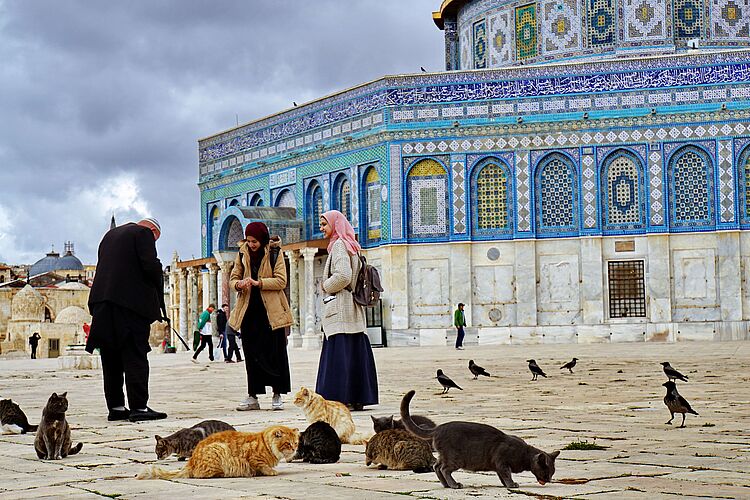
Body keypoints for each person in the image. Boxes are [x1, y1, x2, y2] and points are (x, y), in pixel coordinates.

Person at [86, 217, 168, 422]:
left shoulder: (109, 236)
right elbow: (150, 266)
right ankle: (139, 407)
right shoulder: (143, 233)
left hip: (101, 303)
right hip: (129, 305)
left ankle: (116, 407)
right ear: (153, 231)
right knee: (135, 355)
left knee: (110, 357)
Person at [315, 210, 378, 411]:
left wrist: (325, 285)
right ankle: (356, 398)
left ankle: (341, 398)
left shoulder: (340, 245)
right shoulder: (352, 246)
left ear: (335, 224)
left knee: (340, 357)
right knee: (353, 355)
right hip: (352, 309)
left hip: (341, 308)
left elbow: (343, 276)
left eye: (324, 224)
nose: (321, 228)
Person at [229, 222, 292, 411]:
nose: (251, 245)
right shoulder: (242, 253)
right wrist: (239, 284)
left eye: (254, 241)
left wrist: (259, 283)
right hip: (249, 311)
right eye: (248, 241)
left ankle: (277, 394)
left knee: (274, 353)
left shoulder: (274, 252)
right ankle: (252, 396)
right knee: (252, 354)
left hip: (271, 312)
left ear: (262, 239)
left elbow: (281, 280)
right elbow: (233, 278)